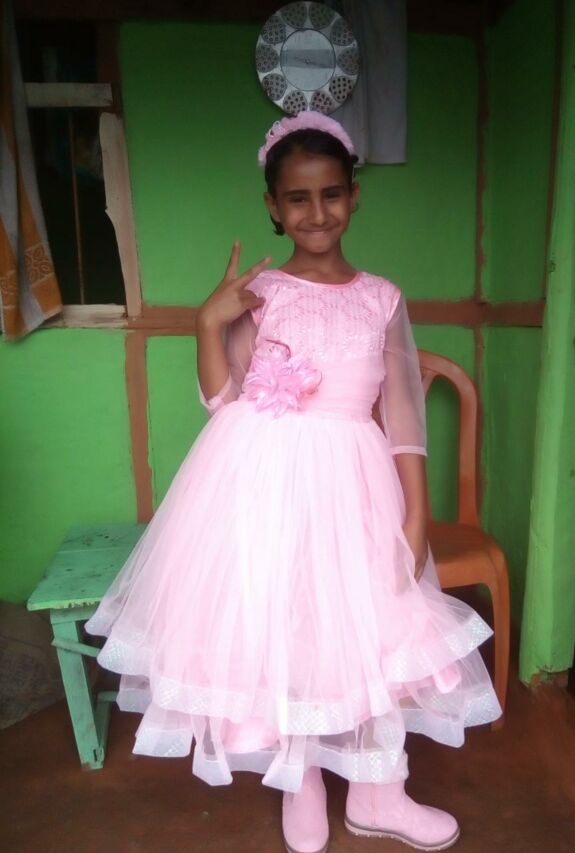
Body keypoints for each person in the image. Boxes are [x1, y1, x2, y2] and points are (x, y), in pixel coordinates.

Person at [85, 111, 501, 853]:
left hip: (355, 485)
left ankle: (378, 791)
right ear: (274, 206)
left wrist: (415, 512)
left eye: (331, 193)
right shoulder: (261, 292)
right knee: (285, 623)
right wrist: (207, 324)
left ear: (354, 196)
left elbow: (404, 418)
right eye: (298, 198)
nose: (317, 212)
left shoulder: (382, 297)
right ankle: (298, 777)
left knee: (370, 625)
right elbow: (224, 399)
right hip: (264, 486)